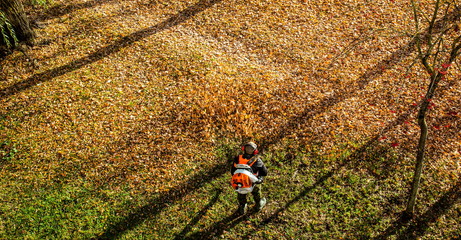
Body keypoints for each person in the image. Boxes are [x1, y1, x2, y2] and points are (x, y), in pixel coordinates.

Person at [230, 142, 268, 215]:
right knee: (256, 194)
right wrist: (260, 179)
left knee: (241, 195)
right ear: (255, 151)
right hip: (253, 182)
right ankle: (259, 205)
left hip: (240, 182)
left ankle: (242, 208)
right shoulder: (257, 160)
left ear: (244, 149)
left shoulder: (237, 158)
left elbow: (232, 171)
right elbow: (264, 172)